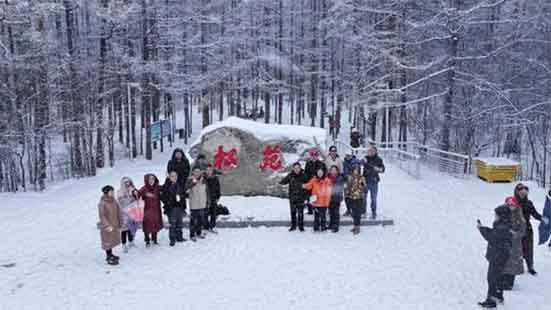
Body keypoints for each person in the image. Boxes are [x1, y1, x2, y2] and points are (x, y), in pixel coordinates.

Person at [477, 205, 513, 308]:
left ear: (502, 216)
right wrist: (483, 228)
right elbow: (493, 233)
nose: (495, 217)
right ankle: (498, 296)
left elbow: (491, 236)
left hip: (498, 256)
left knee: (492, 278)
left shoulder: (502, 227)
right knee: (499, 277)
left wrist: (481, 229)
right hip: (501, 255)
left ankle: (491, 302)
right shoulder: (504, 225)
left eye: (496, 215)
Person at [514, 183, 546, 275]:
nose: (523, 194)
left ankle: (530, 266)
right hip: (516, 229)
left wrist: (542, 218)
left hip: (527, 229)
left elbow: (535, 214)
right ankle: (515, 266)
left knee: (529, 249)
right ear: (517, 192)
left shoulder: (529, 203)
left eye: (525, 193)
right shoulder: (513, 202)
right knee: (516, 249)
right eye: (521, 192)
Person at [500, 196, 526, 290]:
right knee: (503, 261)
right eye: (509, 204)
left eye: (512, 205)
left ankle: (510, 283)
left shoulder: (519, 215)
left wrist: (515, 234)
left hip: (515, 245)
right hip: (504, 242)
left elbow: (523, 230)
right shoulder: (502, 213)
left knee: (513, 264)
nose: (511, 206)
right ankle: (502, 280)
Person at [279, 162, 309, 232]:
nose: (296, 169)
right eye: (295, 168)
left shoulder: (304, 175)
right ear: (293, 168)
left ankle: (301, 226)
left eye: (298, 168)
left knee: (300, 212)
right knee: (293, 212)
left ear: (300, 168)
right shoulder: (290, 175)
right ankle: (293, 226)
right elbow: (283, 181)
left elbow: (307, 186)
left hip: (301, 197)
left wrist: (306, 196)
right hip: (292, 197)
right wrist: (282, 180)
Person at [98, 185, 122, 266]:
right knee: (107, 241)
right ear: (106, 193)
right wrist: (107, 225)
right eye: (111, 191)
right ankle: (108, 257)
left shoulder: (114, 201)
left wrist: (120, 222)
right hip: (107, 226)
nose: (112, 193)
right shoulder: (102, 203)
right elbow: (102, 215)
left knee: (111, 241)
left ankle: (111, 254)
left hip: (114, 224)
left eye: (113, 191)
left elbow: (119, 211)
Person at [161, 171, 186, 246]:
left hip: (179, 207)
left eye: (175, 176)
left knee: (179, 223)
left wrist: (183, 205)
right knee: (172, 224)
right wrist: (169, 202)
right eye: (172, 176)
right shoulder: (166, 186)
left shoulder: (179, 185)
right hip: (171, 208)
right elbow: (163, 197)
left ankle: (179, 237)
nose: (174, 178)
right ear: (169, 177)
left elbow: (183, 195)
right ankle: (172, 239)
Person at [138, 174, 163, 247]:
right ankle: (147, 240)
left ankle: (154, 239)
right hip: (147, 210)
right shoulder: (144, 188)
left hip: (156, 210)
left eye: (153, 179)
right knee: (147, 226)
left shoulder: (157, 187)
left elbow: (165, 188)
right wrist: (134, 192)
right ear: (147, 180)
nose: (151, 181)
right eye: (150, 179)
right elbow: (137, 194)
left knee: (155, 224)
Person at [117, 176, 139, 252]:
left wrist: (135, 195)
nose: (127, 184)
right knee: (124, 230)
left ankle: (131, 241)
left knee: (131, 228)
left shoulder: (133, 189)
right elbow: (119, 202)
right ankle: (124, 244)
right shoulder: (120, 192)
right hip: (124, 213)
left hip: (132, 212)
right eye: (125, 182)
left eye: (128, 182)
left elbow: (137, 198)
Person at [186, 167, 208, 241]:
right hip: (194, 204)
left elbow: (207, 191)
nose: (197, 173)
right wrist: (193, 182)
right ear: (193, 173)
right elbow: (186, 189)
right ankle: (192, 234)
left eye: (198, 171)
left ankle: (199, 233)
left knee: (200, 220)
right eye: (195, 171)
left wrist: (207, 201)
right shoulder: (190, 180)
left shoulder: (204, 180)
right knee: (193, 220)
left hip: (202, 203)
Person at [362, 146, 385, 219]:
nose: (370, 152)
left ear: (375, 152)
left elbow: (382, 169)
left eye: (372, 151)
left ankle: (373, 212)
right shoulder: (365, 158)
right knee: (363, 198)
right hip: (365, 181)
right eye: (369, 151)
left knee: (373, 198)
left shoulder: (379, 159)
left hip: (374, 181)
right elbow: (359, 164)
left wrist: (378, 169)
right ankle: (363, 212)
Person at [304, 149, 327, 215]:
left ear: (317, 156)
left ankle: (318, 210)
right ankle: (310, 210)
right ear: (310, 156)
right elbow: (306, 173)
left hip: (319, 184)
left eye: (315, 155)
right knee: (310, 196)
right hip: (310, 183)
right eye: (312, 155)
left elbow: (324, 174)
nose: (314, 156)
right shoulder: (308, 163)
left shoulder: (321, 164)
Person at [345, 167, 366, 235]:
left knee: (358, 213)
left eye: (357, 170)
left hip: (359, 198)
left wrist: (360, 190)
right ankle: (354, 225)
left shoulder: (362, 178)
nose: (355, 171)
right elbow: (347, 186)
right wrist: (347, 192)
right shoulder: (350, 177)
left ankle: (358, 227)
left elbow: (364, 187)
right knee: (354, 213)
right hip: (351, 197)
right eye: (354, 170)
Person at [327, 165, 345, 233]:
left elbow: (341, 187)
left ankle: (336, 225)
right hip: (329, 197)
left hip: (337, 197)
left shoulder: (340, 178)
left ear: (337, 171)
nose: (333, 171)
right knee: (331, 211)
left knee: (336, 212)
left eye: (335, 170)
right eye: (332, 170)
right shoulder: (327, 177)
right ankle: (331, 224)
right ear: (330, 171)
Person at [205, 164, 221, 233]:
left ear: (212, 170)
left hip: (213, 197)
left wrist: (218, 196)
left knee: (213, 213)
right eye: (207, 170)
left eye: (210, 170)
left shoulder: (215, 178)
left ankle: (212, 226)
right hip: (205, 198)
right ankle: (206, 227)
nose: (208, 171)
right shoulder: (203, 178)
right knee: (205, 213)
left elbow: (218, 188)